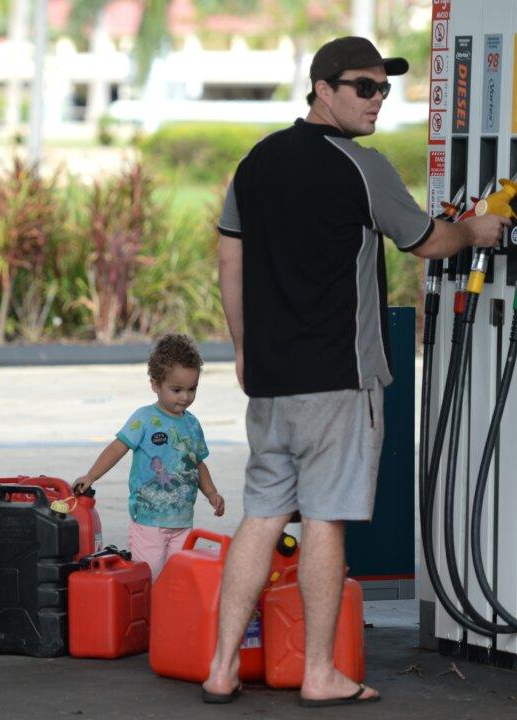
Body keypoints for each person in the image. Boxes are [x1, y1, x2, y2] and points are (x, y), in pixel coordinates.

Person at [202, 36, 510, 707]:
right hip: (339, 379)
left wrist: (244, 349)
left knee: (262, 516)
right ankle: (318, 673)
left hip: (272, 381)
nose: (377, 100)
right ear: (323, 89)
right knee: (325, 520)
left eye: (384, 89)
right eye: (363, 87)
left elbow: (230, 260)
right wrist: (478, 230)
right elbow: (427, 240)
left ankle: (221, 668)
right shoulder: (360, 166)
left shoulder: (255, 162)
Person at [73, 334, 224, 580]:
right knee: (149, 575)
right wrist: (91, 475)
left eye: (192, 389)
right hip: (148, 521)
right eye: (176, 390)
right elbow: (117, 448)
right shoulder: (144, 419)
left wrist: (212, 493)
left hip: (182, 521)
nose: (185, 397)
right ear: (155, 384)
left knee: (176, 578)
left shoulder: (192, 424)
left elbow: (197, 463)